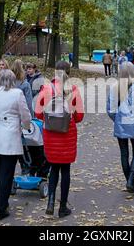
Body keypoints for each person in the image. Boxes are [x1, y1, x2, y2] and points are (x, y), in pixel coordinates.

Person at [35, 61, 84, 218]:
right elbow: (79, 116)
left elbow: (37, 113)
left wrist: (49, 119)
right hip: (66, 134)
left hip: (50, 134)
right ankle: (62, 207)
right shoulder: (73, 89)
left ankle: (50, 202)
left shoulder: (46, 88)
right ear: (69, 72)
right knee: (65, 170)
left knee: (53, 169)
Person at [0, 69, 32, 220]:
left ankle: (2, 199)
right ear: (12, 80)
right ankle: (1, 206)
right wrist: (27, 126)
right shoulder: (16, 93)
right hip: (9, 135)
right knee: (7, 172)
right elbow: (25, 114)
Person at [107, 61, 134, 194]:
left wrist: (118, 120)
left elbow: (111, 109)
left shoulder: (115, 87)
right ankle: (131, 181)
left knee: (124, 153)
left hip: (121, 123)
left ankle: (129, 181)